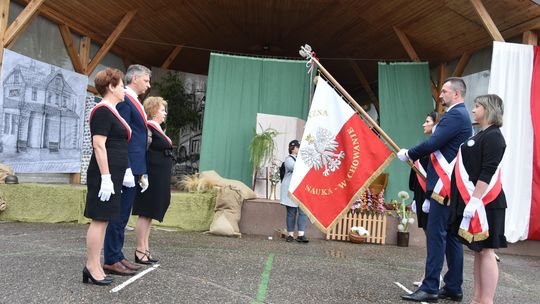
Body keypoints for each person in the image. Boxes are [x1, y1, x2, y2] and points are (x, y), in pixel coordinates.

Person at [398, 77, 472, 302]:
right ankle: (453, 286)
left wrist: (409, 153)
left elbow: (433, 143)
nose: (440, 95)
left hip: (444, 186)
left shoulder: (455, 115)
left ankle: (430, 286)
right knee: (450, 237)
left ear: (457, 94)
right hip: (451, 186)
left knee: (437, 236)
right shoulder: (461, 115)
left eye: (445, 92)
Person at [449, 94, 507, 304]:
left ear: (489, 109)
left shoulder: (494, 136)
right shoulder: (482, 134)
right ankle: (477, 298)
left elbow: (487, 171)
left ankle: (486, 300)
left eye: (477, 106)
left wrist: (474, 200)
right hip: (477, 201)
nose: (473, 110)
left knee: (487, 251)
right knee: (478, 250)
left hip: (488, 203)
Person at [103, 64, 151, 276]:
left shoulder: (135, 101)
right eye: (146, 80)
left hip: (135, 167)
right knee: (118, 216)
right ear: (135, 79)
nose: (148, 85)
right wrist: (129, 168)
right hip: (126, 167)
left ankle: (118, 255)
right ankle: (111, 258)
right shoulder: (125, 101)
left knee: (123, 217)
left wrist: (142, 171)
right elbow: (123, 136)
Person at [83, 68, 130, 285]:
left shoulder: (113, 111)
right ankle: (92, 266)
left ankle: (94, 264)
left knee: (104, 221)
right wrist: (106, 177)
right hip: (104, 176)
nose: (124, 90)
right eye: (121, 85)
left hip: (113, 176)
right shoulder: (102, 111)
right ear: (111, 87)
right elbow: (99, 145)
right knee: (99, 220)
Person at [132, 97, 173, 264]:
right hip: (150, 177)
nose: (164, 113)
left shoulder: (157, 128)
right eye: (162, 110)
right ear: (154, 111)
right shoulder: (148, 129)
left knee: (150, 214)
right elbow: (142, 151)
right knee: (145, 212)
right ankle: (140, 250)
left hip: (159, 177)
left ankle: (145, 249)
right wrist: (142, 175)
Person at [409, 111, 442, 287]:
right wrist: (415, 196)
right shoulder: (427, 145)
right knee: (428, 236)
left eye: (427, 121)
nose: (424, 124)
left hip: (433, 195)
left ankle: (431, 275)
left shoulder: (437, 148)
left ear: (436, 124)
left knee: (433, 237)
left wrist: (428, 196)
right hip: (422, 195)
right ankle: (429, 273)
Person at [280, 139, 309, 243]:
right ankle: (290, 234)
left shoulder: (302, 159)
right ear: (293, 148)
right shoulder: (289, 159)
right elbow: (293, 167)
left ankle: (301, 234)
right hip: (291, 189)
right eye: (297, 147)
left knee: (303, 212)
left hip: (301, 189)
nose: (299, 149)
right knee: (291, 213)